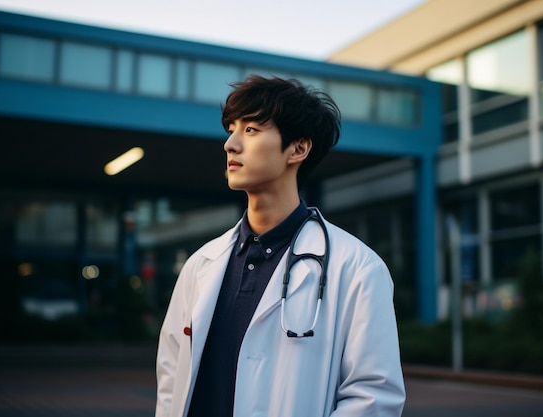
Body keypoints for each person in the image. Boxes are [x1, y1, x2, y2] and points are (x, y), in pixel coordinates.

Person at [156, 75, 405, 417]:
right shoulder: (202, 264)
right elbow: (172, 378)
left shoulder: (357, 268)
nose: (230, 144)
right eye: (231, 128)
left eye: (252, 129)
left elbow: (373, 397)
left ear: (298, 149)